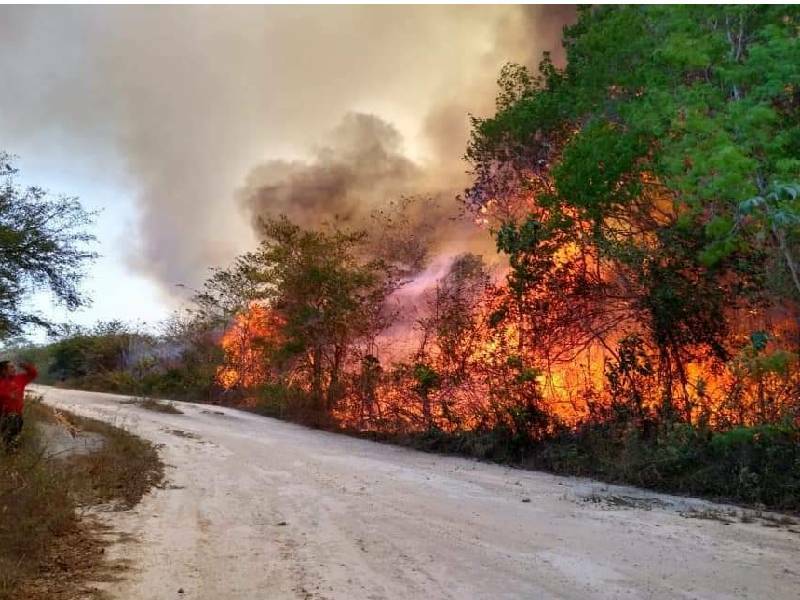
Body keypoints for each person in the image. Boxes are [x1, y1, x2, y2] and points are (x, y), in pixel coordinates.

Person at [0, 361, 38, 452]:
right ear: (3, 371)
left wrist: (26, 366)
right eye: (11, 367)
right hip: (3, 416)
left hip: (17, 416)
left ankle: (11, 457)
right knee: (5, 441)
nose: (14, 369)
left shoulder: (20, 378)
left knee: (14, 441)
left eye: (14, 367)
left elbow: (33, 374)